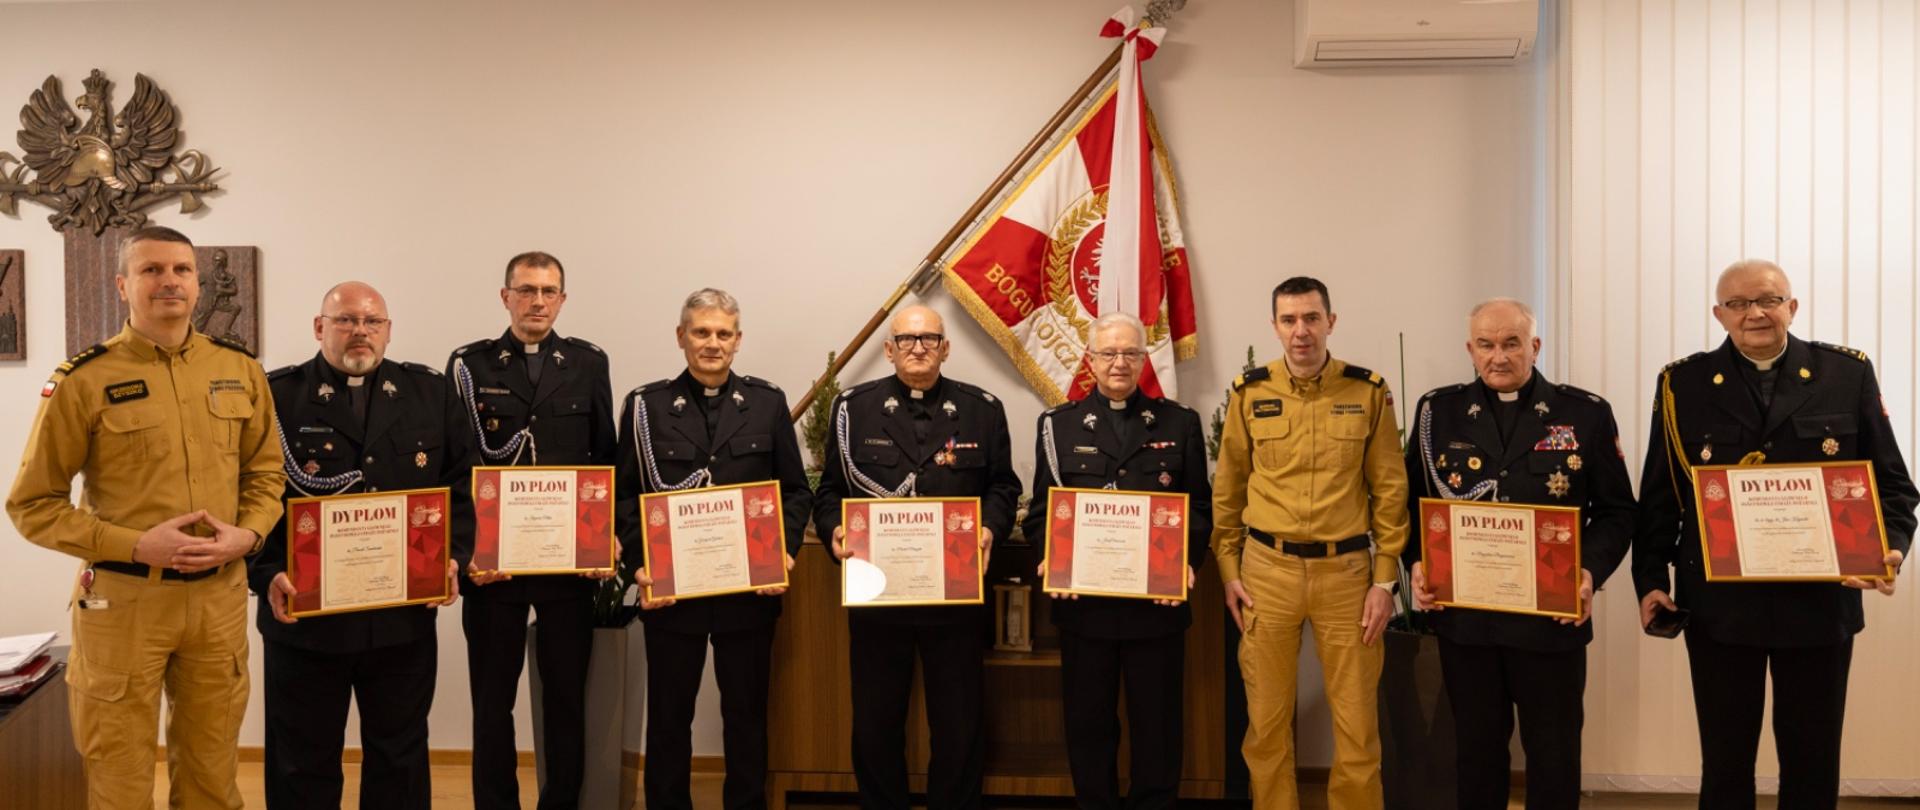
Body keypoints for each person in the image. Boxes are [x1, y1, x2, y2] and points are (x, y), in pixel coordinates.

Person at [6, 225, 285, 810]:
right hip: (123, 607)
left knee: (213, 776)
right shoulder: (84, 380)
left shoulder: (241, 370)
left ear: (198, 281)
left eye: (181, 270)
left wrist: (249, 533)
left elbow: (265, 476)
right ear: (122, 285)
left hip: (218, 604)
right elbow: (33, 506)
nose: (169, 282)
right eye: (152, 270)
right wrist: (135, 545)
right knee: (120, 778)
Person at [1634, 259, 1916, 810]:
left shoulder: (1846, 373)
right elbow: (1661, 497)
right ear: (1719, 314)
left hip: (1818, 606)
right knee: (1725, 762)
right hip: (1720, 608)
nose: (1754, 313)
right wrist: (1650, 580)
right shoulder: (1682, 383)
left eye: (1767, 299)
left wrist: (1893, 550)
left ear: (1792, 306)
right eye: (1738, 304)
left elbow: (1893, 486)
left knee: (1813, 763)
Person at [1403, 298, 1636, 810]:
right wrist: (1417, 562)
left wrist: (1588, 573)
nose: (1498, 356)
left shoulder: (1584, 414)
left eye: (1511, 343)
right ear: (1470, 349)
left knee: (1553, 756)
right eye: (1485, 345)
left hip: (1550, 621)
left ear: (1535, 346)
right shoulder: (1436, 413)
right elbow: (1409, 504)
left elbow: (1618, 512)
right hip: (1467, 621)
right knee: (1476, 753)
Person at [250, 282, 469, 809]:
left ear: (388, 330)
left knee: (400, 755)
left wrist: (453, 555)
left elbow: (462, 482)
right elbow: (248, 494)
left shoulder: (428, 392)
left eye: (373, 322)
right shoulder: (276, 395)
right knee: (302, 761)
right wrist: (267, 571)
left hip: (399, 619)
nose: (360, 332)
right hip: (304, 618)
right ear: (319, 327)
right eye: (346, 320)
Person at [812, 304, 1022, 810]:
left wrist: (992, 527)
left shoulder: (982, 409)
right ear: (889, 350)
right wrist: (834, 530)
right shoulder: (851, 410)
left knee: (959, 721)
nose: (919, 348)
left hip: (955, 592)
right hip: (876, 589)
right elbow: (829, 492)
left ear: (945, 348)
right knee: (876, 720)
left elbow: (1003, 485)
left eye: (930, 339)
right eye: (907, 340)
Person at [1211, 276, 1408, 810]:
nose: (1301, 331)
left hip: (1346, 574)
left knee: (1357, 724)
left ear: (1331, 321)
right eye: (1290, 320)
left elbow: (1390, 490)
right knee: (1266, 722)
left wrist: (1385, 580)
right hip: (1265, 572)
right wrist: (1229, 571)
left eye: (1312, 318)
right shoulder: (1249, 392)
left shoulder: (1367, 390)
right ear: (1274, 326)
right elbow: (1227, 488)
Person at [614, 288, 813, 810]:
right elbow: (624, 496)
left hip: (747, 593)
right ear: (681, 337)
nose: (712, 343)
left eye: (723, 333)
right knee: (669, 717)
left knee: (745, 716)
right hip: (671, 594)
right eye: (701, 332)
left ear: (738, 341)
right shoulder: (645, 406)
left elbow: (794, 490)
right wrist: (639, 567)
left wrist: (785, 551)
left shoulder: (767, 403)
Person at [1020, 311, 1211, 810]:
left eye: (1130, 352)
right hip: (1086, 608)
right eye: (1108, 352)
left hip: (1157, 610)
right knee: (1088, 728)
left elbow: (1200, 508)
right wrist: (1051, 559)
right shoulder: (1057, 426)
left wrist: (1188, 560)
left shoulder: (1179, 423)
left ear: (1145, 358)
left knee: (1158, 730)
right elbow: (1042, 511)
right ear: (1091, 359)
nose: (1119, 362)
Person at [447, 250, 616, 810]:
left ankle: (561, 802)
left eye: (548, 291)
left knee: (566, 696)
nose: (537, 301)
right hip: (494, 563)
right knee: (492, 700)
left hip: (568, 561)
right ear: (505, 297)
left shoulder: (589, 363)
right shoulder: (469, 365)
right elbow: (459, 463)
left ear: (562, 299)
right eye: (526, 290)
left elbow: (603, 459)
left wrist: (605, 533)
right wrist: (468, 547)